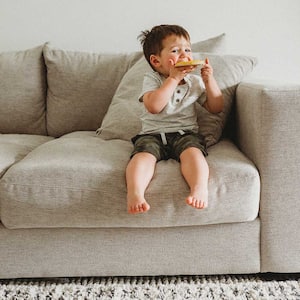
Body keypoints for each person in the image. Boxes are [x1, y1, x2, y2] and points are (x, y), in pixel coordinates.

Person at [126, 24, 224, 214]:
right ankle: (135, 193)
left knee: (193, 153)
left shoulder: (194, 82)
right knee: (142, 157)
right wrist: (172, 79)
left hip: (185, 134)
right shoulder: (152, 79)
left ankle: (199, 188)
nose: (184, 55)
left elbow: (216, 107)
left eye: (187, 49)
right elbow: (154, 107)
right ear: (156, 61)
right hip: (152, 134)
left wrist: (209, 80)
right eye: (175, 51)